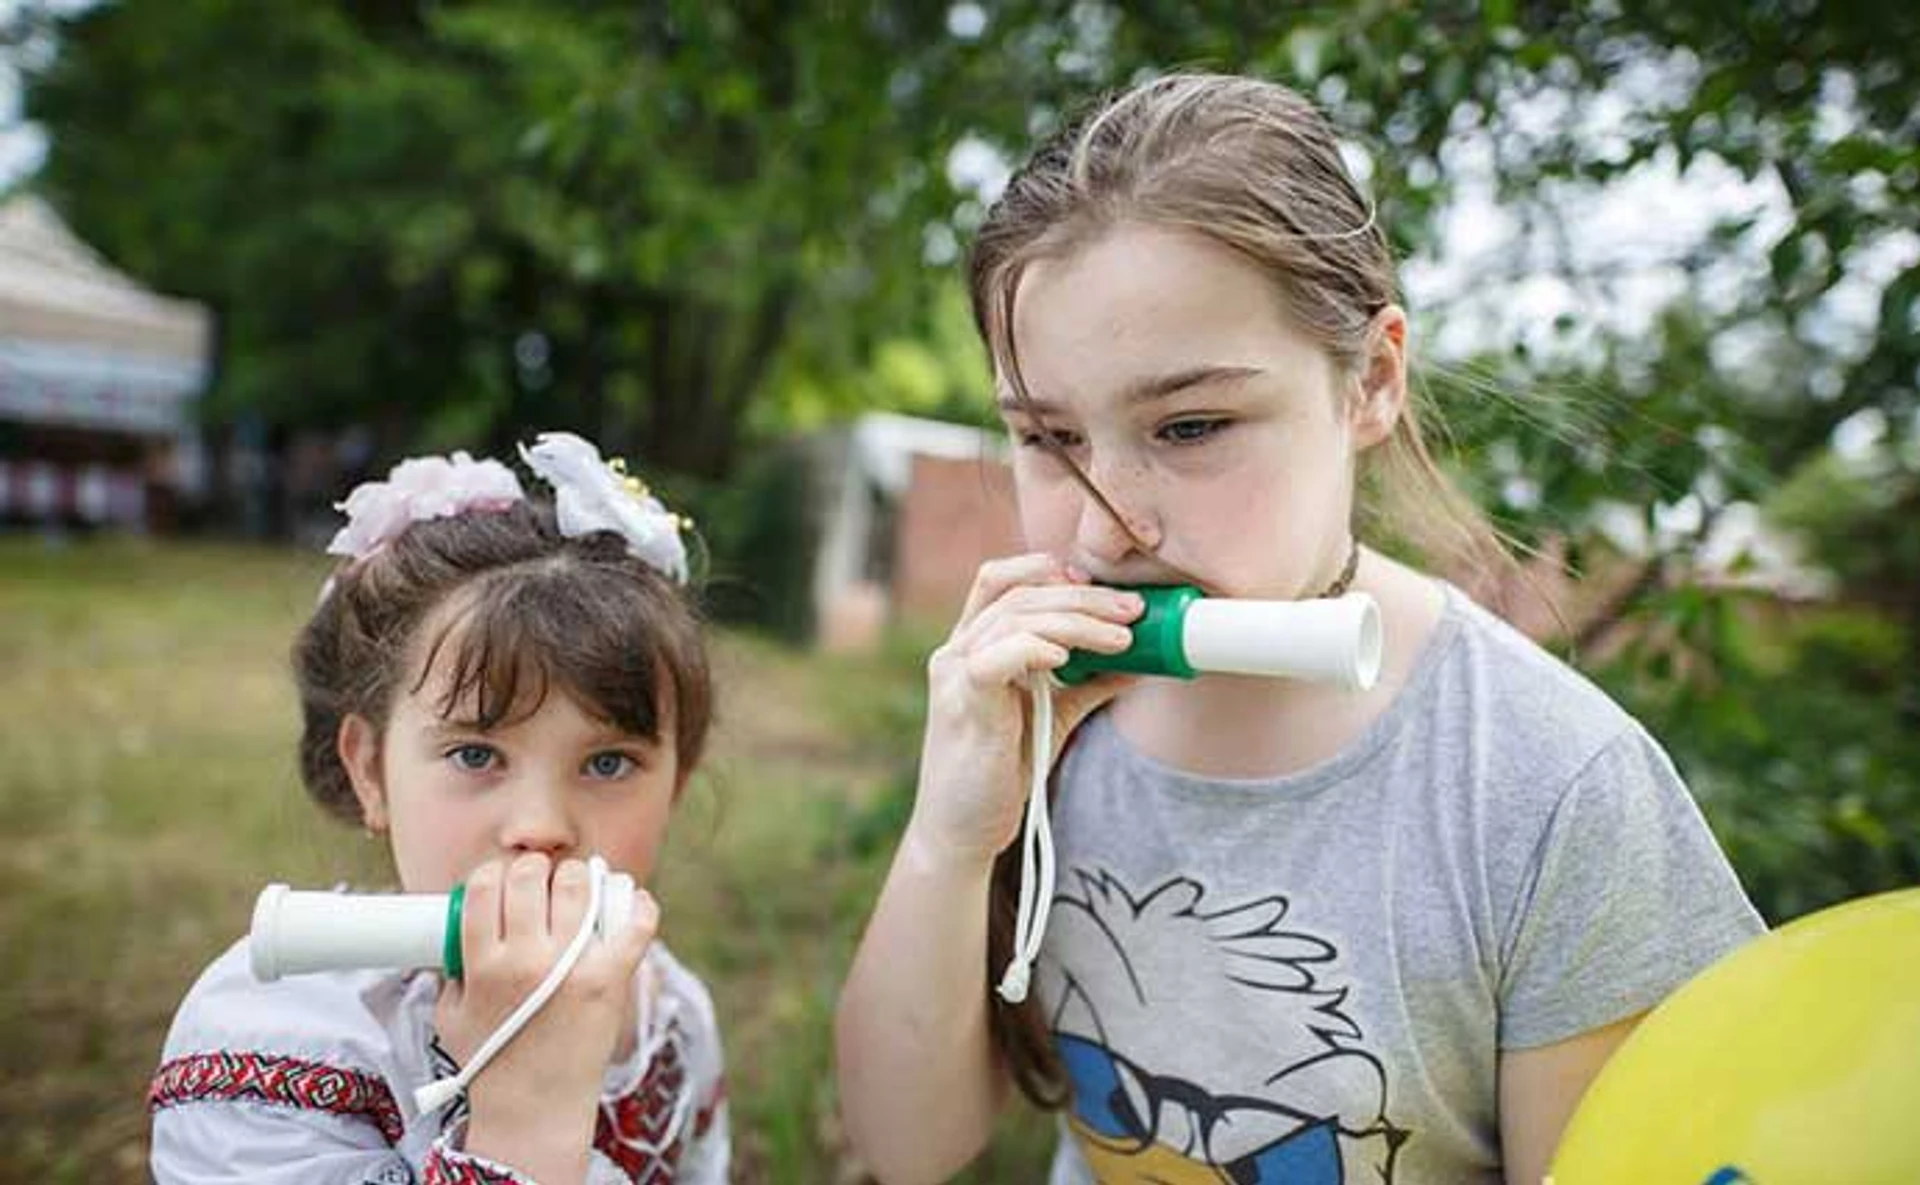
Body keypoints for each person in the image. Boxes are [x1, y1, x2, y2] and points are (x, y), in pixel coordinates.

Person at [834, 72, 1764, 1185]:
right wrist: (949, 836)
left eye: (1190, 425)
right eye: (1048, 437)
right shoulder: (1038, 718)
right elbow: (908, 1148)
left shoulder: (1550, 789)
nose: (1107, 526)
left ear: (1369, 380)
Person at [149, 432, 729, 1184]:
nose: (541, 828)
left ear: (676, 784)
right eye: (476, 754)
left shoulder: (671, 1017)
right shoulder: (273, 1034)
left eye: (609, 762)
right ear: (370, 772)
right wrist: (523, 1113)